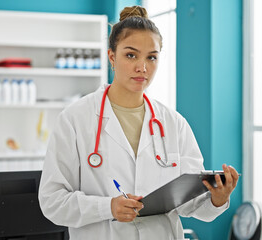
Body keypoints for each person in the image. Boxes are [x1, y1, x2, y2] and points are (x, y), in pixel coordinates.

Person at [39, 5, 239, 239]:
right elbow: (52, 202)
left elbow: (188, 205)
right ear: (112, 56)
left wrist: (217, 199)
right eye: (131, 55)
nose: (142, 68)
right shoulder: (75, 119)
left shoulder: (174, 123)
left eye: (151, 57)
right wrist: (108, 207)